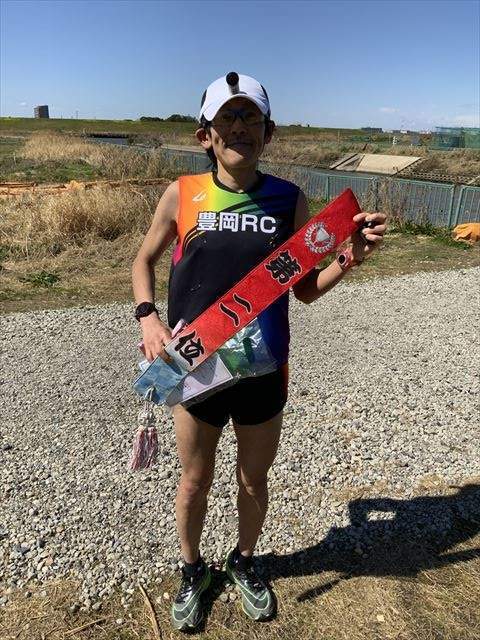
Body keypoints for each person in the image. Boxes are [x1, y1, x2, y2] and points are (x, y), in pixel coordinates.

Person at [131, 72, 387, 631]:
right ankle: (192, 570)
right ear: (205, 134)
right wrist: (148, 318)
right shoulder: (182, 194)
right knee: (194, 481)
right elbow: (142, 261)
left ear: (268, 133)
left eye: (251, 117)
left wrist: (350, 258)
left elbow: (305, 289)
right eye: (227, 117)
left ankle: (244, 562)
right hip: (194, 367)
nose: (239, 127)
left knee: (253, 480)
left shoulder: (289, 199)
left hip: (264, 370)